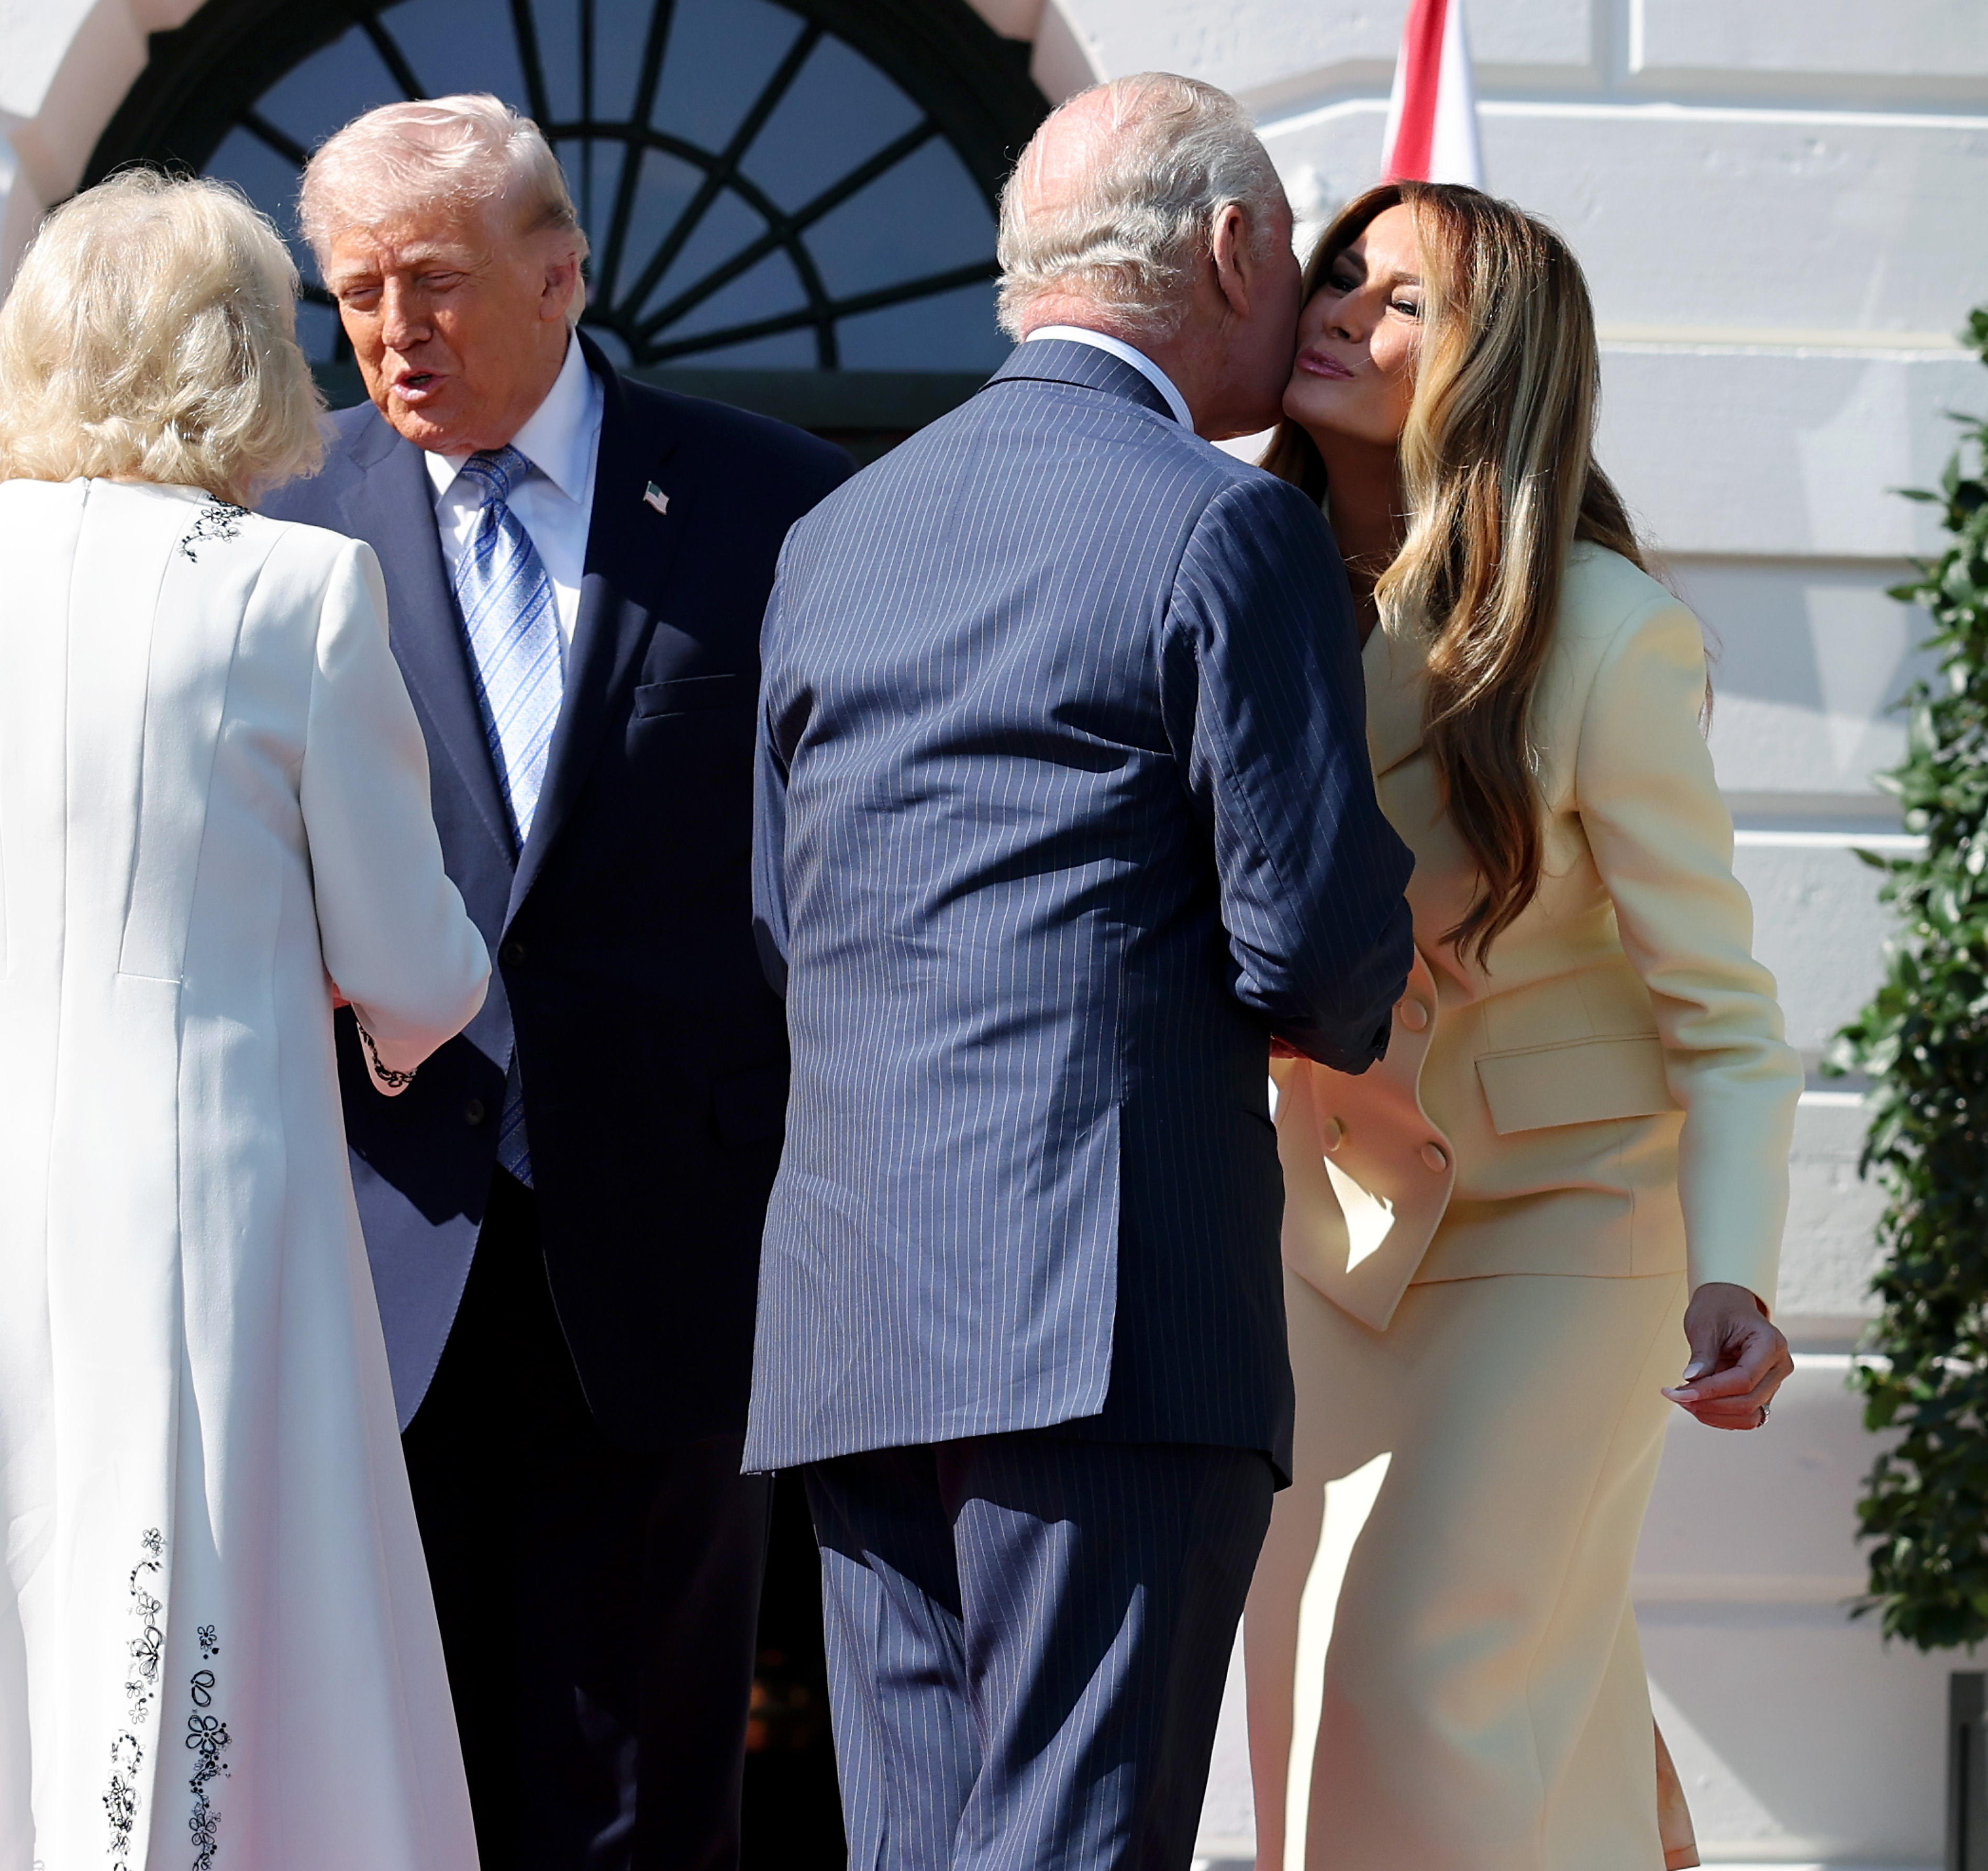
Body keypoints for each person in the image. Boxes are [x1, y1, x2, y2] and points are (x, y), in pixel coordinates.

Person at [0, 170, 491, 1870]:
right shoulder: (297, 588)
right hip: (212, 1178)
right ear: (243, 362)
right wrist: (387, 1015)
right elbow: (414, 958)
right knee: (203, 1586)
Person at [747, 74, 1416, 1869]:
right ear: (1229, 249)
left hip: (853, 1314)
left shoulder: (834, 538)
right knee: (1073, 1837)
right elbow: (1317, 949)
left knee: (920, 1844)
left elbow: (783, 922)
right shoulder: (1221, 523)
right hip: (1105, 1315)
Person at [260, 95, 854, 1870]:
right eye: (355, 291)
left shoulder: (771, 503)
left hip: (675, 1235)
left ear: (563, 272)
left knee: (644, 1783)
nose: (388, 331)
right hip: (377, 1243)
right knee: (385, 1769)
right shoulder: (288, 529)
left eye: (431, 282)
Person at [1241, 182, 1800, 1870]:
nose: (1341, 308)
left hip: (1566, 1220)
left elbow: (1726, 1011)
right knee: (1324, 1678)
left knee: (1425, 1666)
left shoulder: (1611, 632)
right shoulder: (1232, 584)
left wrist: (1738, 1269)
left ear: (1500, 367)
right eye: (1338, 272)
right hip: (1324, 1233)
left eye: (1402, 300)